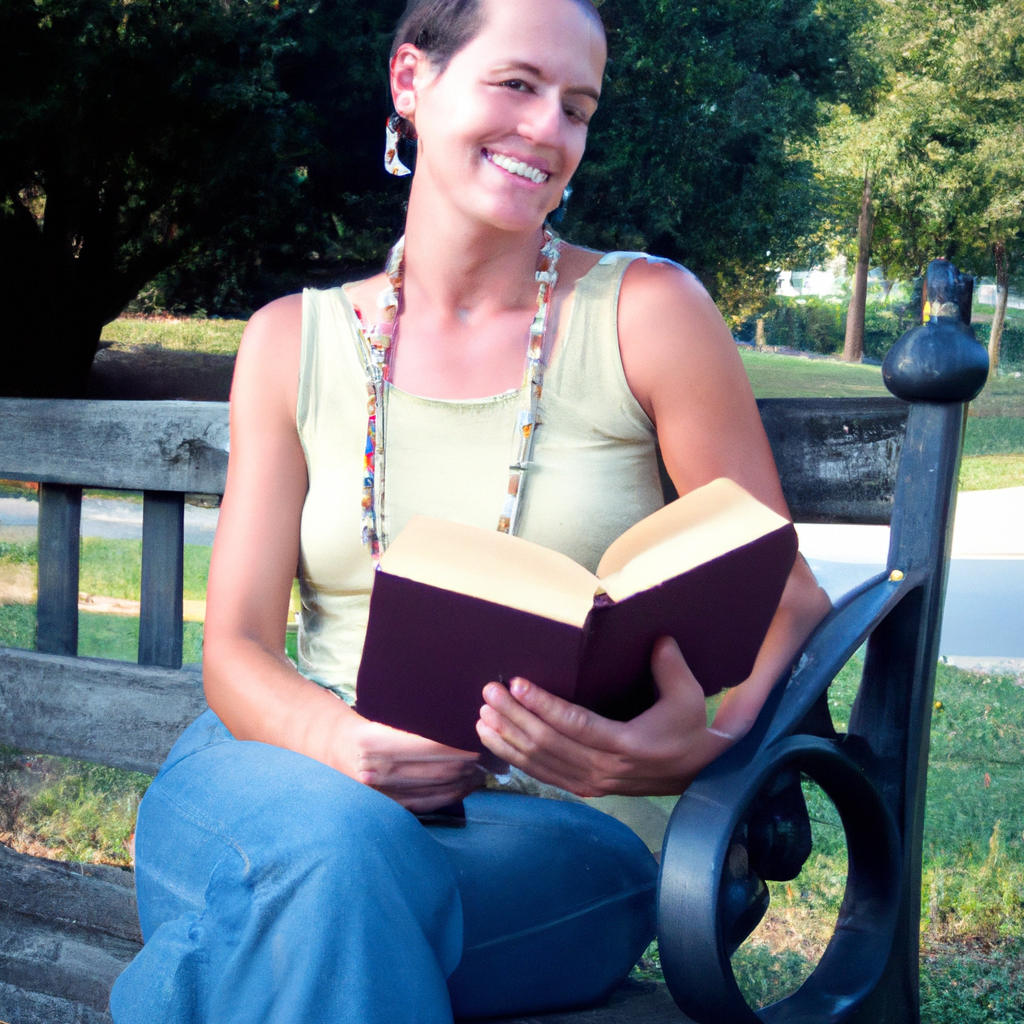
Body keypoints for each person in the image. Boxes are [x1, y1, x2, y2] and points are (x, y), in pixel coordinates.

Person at [110, 0, 832, 1020]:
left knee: (285, 915)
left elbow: (786, 598)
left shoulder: (647, 312)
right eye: (517, 84)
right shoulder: (289, 342)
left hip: (561, 829)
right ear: (412, 81)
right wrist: (339, 744)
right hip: (273, 774)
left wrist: (692, 748)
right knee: (330, 850)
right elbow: (232, 647)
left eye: (577, 107)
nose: (549, 130)